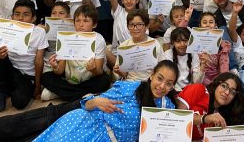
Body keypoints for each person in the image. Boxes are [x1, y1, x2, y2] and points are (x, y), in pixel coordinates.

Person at [33, 60, 179, 142]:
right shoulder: (131, 87)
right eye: (160, 78)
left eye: (169, 83)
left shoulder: (167, 108)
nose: (162, 86)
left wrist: (203, 118)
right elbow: (87, 104)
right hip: (86, 126)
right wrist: (96, 101)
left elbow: (182, 125)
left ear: (172, 86)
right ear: (152, 75)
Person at [41, 4, 110, 102]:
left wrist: (93, 69)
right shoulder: (67, 37)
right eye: (77, 21)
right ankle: (84, 95)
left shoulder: (98, 39)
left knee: (104, 81)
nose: (80, 24)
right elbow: (60, 71)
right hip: (70, 79)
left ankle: (62, 93)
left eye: (86, 21)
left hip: (89, 79)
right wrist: (55, 67)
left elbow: (98, 71)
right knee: (45, 78)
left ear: (94, 24)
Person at [0, 0, 48, 111]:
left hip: (26, 75)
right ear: (12, 17)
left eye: (26, 14)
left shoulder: (39, 33)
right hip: (8, 68)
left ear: (33, 18)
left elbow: (39, 60)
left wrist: (38, 86)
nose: (20, 18)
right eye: (17, 14)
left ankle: (6, 88)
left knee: (19, 102)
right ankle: (0, 91)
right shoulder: (5, 29)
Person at [177, 72, 244, 141]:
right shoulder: (199, 89)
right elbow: (178, 119)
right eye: (224, 86)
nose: (227, 92)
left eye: (232, 92)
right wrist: (205, 118)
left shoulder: (222, 118)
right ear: (217, 84)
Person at [113, 9, 164, 81]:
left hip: (150, 82)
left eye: (139, 25)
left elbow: (162, 68)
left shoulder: (154, 44)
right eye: (132, 25)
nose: (135, 28)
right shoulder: (124, 46)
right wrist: (119, 71)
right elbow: (124, 74)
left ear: (146, 26)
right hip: (130, 83)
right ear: (128, 27)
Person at [161, 27, 206, 92]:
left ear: (190, 41)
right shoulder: (167, 55)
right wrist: (180, 93)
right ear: (173, 43)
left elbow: (197, 82)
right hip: (173, 90)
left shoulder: (194, 54)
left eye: (185, 40)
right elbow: (168, 79)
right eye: (178, 41)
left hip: (190, 90)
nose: (182, 44)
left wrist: (203, 64)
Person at [198, 12, 231, 86]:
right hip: (198, 77)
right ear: (199, 26)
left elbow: (224, 64)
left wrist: (223, 80)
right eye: (204, 22)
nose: (208, 25)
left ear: (215, 25)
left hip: (216, 79)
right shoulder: (195, 42)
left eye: (211, 22)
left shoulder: (222, 44)